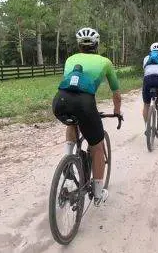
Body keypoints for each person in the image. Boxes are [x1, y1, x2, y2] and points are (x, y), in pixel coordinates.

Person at [52, 27, 122, 206]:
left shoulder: (70, 59)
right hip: (84, 104)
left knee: (72, 122)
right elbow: (116, 93)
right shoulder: (105, 61)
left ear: (79, 45)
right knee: (97, 146)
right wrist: (117, 111)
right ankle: (98, 194)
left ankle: (68, 161)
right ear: (96, 44)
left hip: (60, 101)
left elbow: (70, 86)